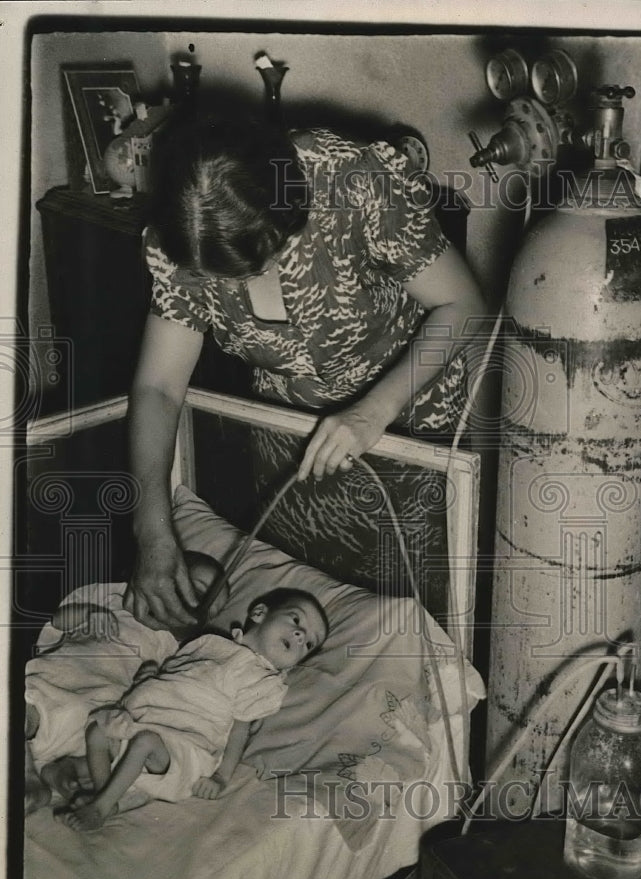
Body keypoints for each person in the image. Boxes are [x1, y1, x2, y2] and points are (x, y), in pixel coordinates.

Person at [124, 113, 489, 632]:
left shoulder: (349, 179)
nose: (238, 288)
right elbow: (158, 388)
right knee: (302, 605)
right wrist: (152, 532)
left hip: (409, 422)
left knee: (408, 619)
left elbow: (465, 305)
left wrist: (372, 413)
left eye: (257, 266)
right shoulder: (181, 234)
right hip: (292, 440)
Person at [58, 588, 328, 832]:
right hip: (147, 717)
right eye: (296, 620)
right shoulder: (210, 643)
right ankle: (104, 791)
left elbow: (239, 733)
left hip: (185, 745)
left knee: (145, 742)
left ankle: (100, 808)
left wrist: (221, 778)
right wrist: (149, 677)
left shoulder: (264, 682)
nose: (300, 635)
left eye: (309, 643)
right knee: (97, 731)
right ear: (259, 613)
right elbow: (177, 676)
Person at [24, 550, 230, 815]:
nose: (200, 607)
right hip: (56, 684)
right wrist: (87, 615)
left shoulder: (179, 650)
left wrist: (153, 678)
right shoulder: (115, 600)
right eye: (198, 590)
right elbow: (56, 622)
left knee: (108, 759)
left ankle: (57, 775)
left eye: (210, 609)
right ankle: (30, 776)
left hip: (95, 715)